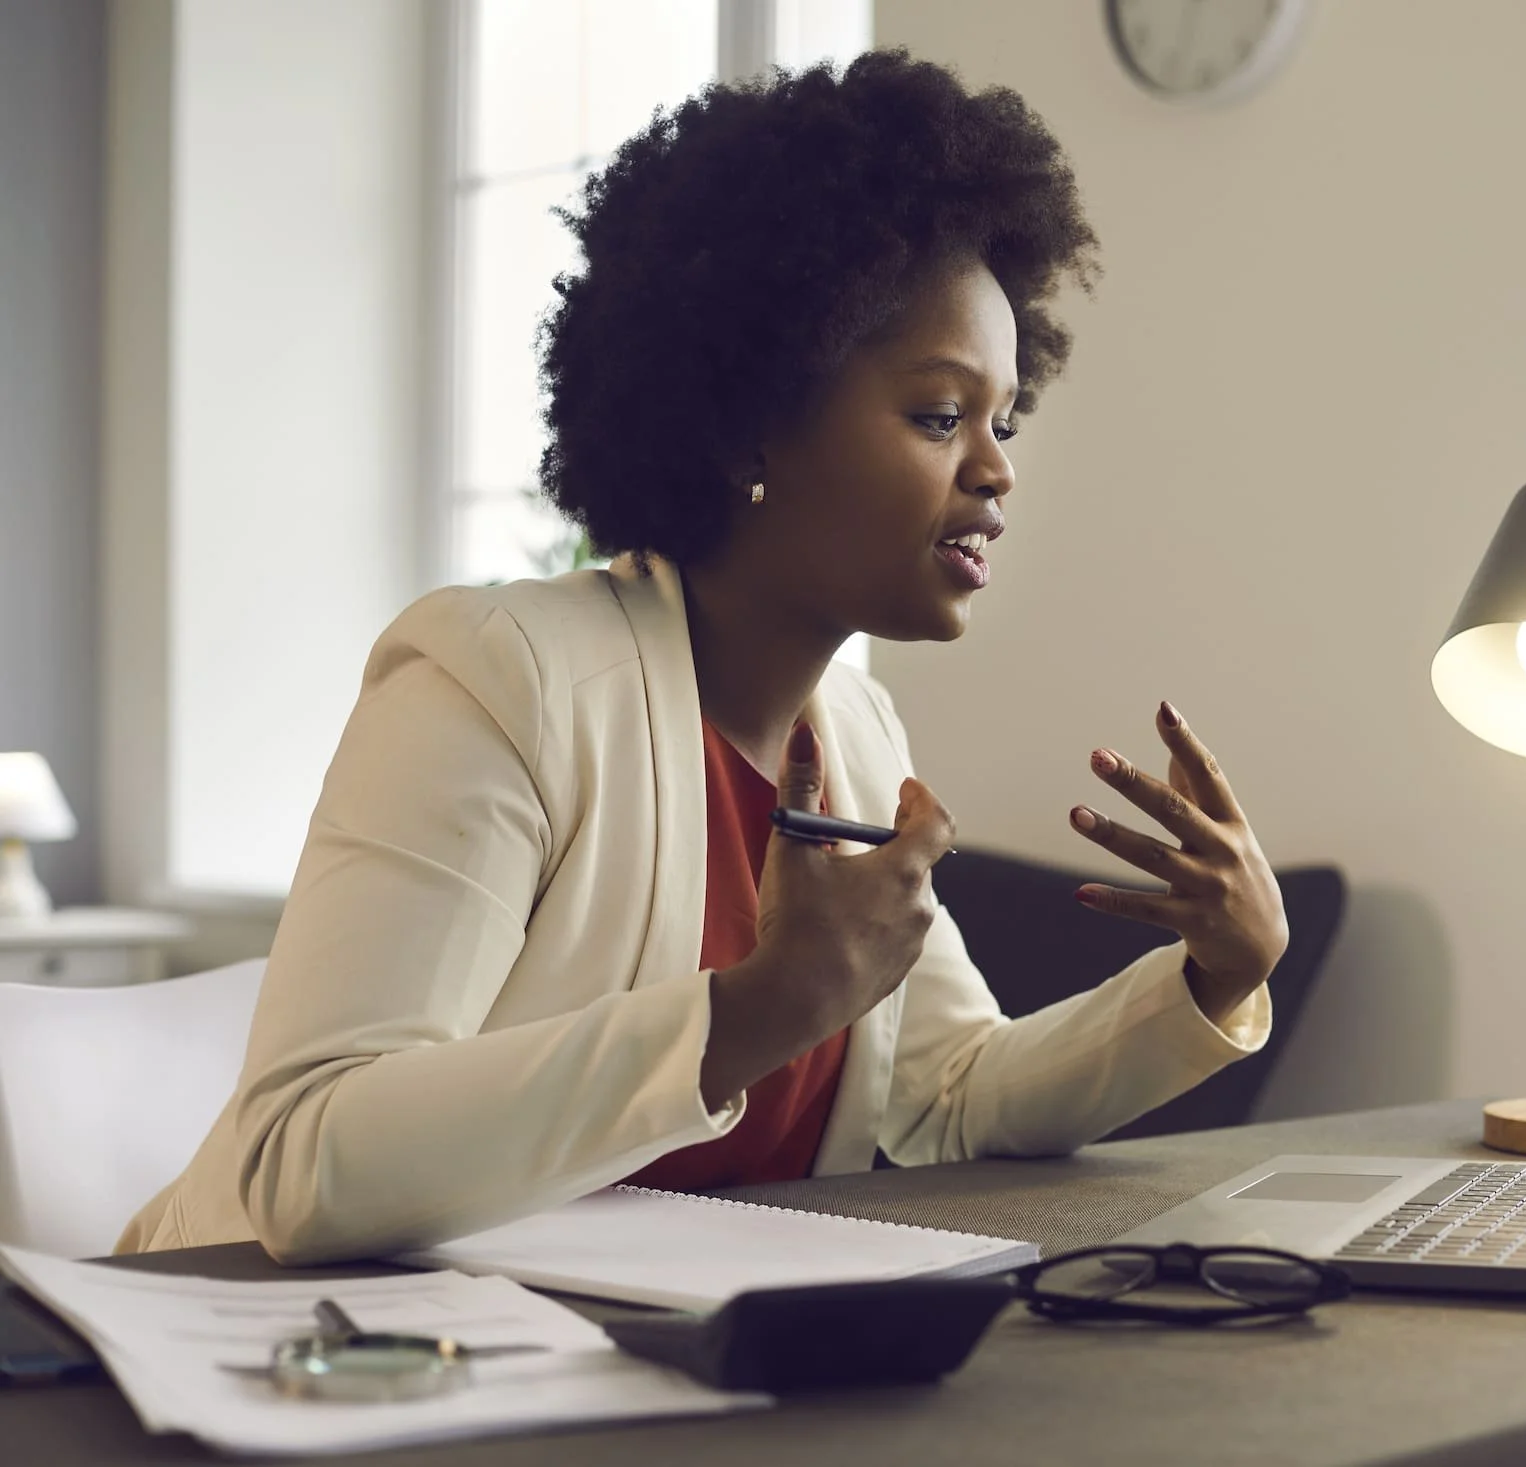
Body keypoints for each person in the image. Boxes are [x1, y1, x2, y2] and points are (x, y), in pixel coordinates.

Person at [119, 51, 1288, 1264]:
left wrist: (1212, 974)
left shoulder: (858, 741)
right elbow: (308, 1163)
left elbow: (950, 1099)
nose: (995, 469)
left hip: (640, 1381)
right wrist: (750, 1015)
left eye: (1005, 420)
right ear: (747, 423)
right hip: (275, 1372)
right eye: (941, 416)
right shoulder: (500, 677)